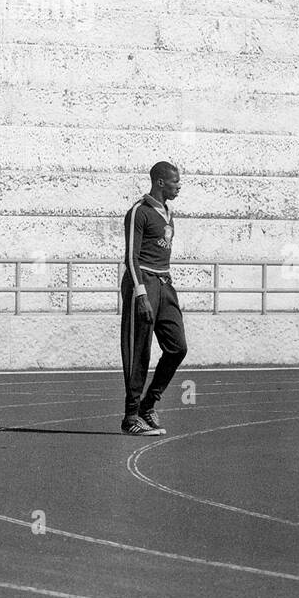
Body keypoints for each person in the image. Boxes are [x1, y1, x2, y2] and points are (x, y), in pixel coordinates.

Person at [120, 162, 188, 436]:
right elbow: (131, 257)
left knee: (177, 347)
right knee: (139, 352)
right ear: (160, 182)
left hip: (165, 282)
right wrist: (140, 294)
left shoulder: (168, 212)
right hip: (144, 283)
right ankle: (131, 416)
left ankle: (149, 404)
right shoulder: (139, 211)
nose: (178, 186)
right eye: (174, 182)